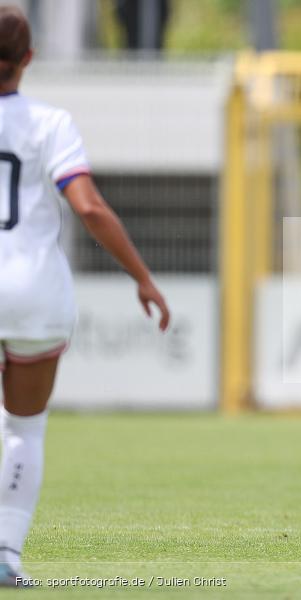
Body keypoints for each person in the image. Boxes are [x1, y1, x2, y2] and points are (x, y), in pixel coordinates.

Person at [0, 6, 170, 585]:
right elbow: (90, 207)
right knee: (24, 429)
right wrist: (142, 277)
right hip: (32, 292)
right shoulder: (49, 122)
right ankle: (5, 556)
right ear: (29, 57)